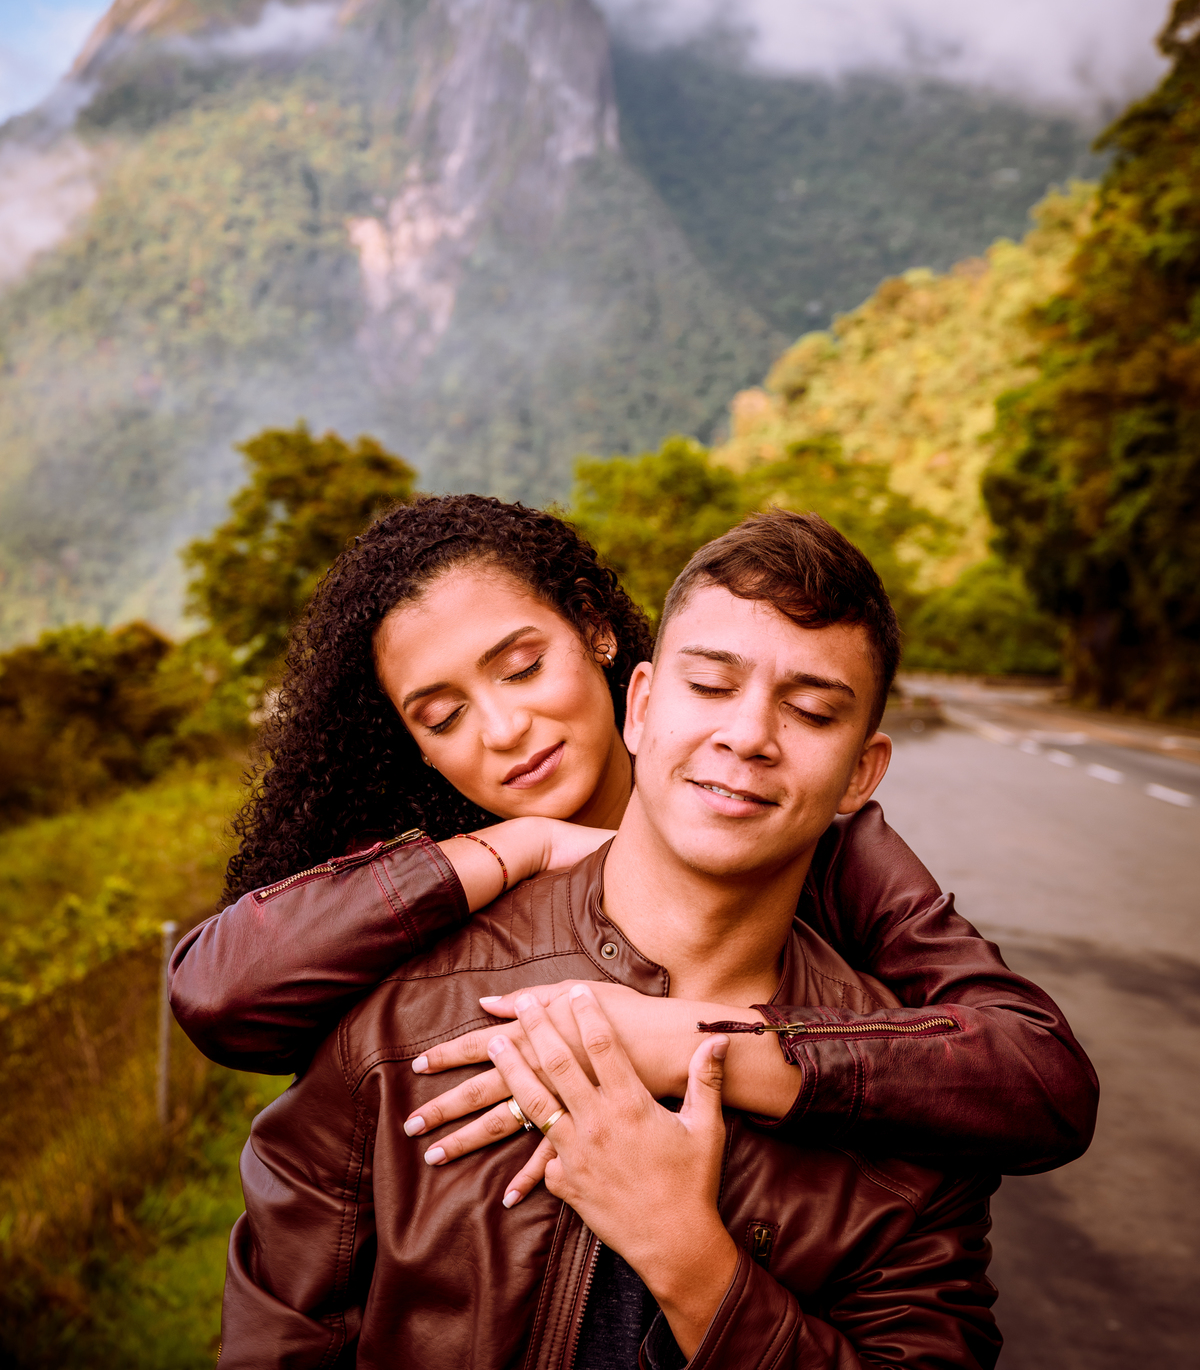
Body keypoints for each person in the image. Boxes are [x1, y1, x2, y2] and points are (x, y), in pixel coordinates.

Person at [219, 511, 1020, 1366]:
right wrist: (520, 845)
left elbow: (1035, 1072)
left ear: (860, 774)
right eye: (710, 688)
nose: (748, 736)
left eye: (813, 710)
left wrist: (689, 1254)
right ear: (642, 704)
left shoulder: (906, 1117)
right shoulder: (402, 1015)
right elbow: (283, 1325)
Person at [171, 495, 1096, 1196]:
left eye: (523, 667)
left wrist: (692, 1044)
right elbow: (217, 991)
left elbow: (1037, 1080)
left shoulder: (811, 844)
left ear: (601, 633)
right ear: (412, 742)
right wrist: (520, 847)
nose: (501, 729)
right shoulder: (437, 883)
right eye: (443, 714)